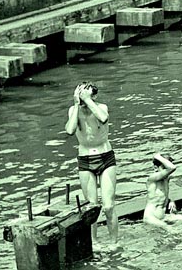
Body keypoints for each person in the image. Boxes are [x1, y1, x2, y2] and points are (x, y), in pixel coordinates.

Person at [64, 82, 118, 244]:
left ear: (94, 96)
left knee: (108, 206)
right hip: (85, 160)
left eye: (85, 95)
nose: (82, 98)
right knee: (91, 208)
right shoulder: (74, 110)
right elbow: (70, 130)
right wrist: (76, 104)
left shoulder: (102, 107)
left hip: (105, 157)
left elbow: (103, 118)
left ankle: (114, 242)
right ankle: (94, 243)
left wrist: (88, 100)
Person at [143, 154, 182, 231]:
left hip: (163, 216)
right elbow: (172, 167)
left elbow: (160, 194)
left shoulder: (166, 179)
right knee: (171, 230)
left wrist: (170, 200)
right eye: (164, 168)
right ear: (156, 168)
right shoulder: (152, 178)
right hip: (150, 217)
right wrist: (157, 156)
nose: (167, 171)